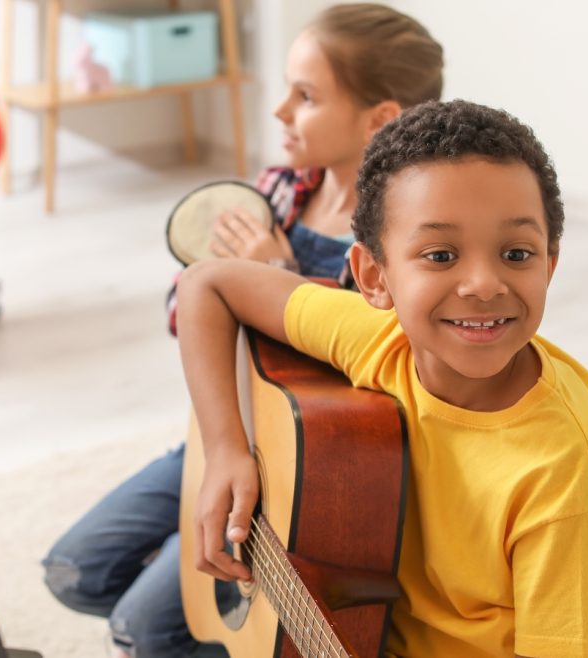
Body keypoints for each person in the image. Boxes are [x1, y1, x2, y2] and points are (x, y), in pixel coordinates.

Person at [42, 5, 443, 656]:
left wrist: (275, 276)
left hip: (306, 469)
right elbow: (181, 311)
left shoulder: (402, 240)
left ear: (382, 120)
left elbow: (375, 372)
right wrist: (226, 282)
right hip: (220, 428)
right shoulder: (279, 189)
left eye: (305, 96)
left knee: (141, 630)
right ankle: (200, 553)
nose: (280, 111)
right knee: (74, 571)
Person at [178, 99, 588, 657]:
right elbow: (206, 284)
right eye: (441, 254)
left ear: (549, 263)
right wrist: (226, 451)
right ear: (374, 277)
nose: (482, 283)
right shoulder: (386, 341)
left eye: (516, 253)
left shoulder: (568, 479)